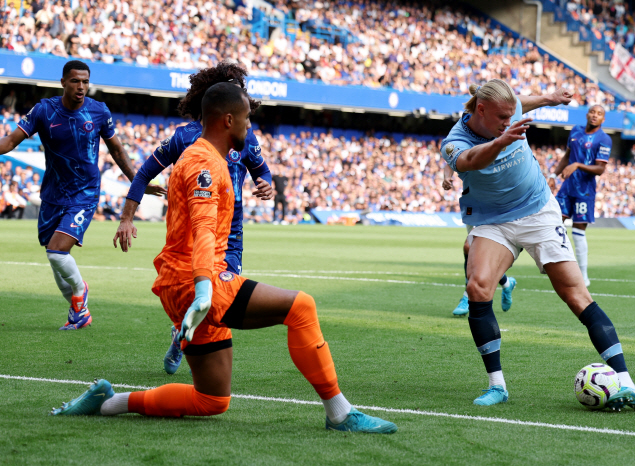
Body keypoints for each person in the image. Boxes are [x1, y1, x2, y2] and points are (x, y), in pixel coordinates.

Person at [52, 82, 398, 434]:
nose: (249, 126)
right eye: (246, 119)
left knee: (212, 400)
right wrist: (204, 289)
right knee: (302, 307)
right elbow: (203, 229)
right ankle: (340, 414)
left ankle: (108, 403)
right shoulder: (205, 164)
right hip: (197, 281)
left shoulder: (204, 157)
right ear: (228, 119)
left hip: (184, 281)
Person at [440, 79, 635, 411]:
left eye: (511, 116)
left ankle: (627, 383)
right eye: (502, 117)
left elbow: (522, 101)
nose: (509, 122)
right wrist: (503, 140)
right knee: (477, 288)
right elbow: (471, 161)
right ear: (481, 109)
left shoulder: (511, 110)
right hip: (494, 222)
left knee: (576, 296)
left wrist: (550, 98)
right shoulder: (454, 142)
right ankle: (497, 386)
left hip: (538, 212)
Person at [113, 61, 274, 375]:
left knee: (218, 298)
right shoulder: (184, 137)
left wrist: (265, 184)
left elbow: (261, 170)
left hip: (231, 234)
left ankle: (185, 338)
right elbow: (143, 173)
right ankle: (188, 340)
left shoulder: (246, 136)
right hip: (190, 234)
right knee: (208, 296)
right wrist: (126, 218)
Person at [0, 60, 165, 330]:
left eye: (86, 81)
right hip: (53, 194)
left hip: (85, 193)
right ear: (63, 82)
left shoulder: (99, 111)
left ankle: (80, 293)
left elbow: (117, 151)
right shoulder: (44, 110)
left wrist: (138, 181)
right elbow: (9, 142)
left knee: (56, 251)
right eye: (76, 81)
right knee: (54, 258)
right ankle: (80, 313)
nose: (81, 87)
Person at [442, 164, 516, 316]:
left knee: (470, 247)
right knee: (477, 255)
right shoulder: (467, 142)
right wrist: (446, 177)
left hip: (493, 202)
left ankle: (467, 297)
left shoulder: (497, 145)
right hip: (471, 201)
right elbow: (450, 162)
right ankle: (507, 283)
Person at [552, 105, 610, 287]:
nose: (595, 115)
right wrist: (553, 176)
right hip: (567, 187)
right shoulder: (575, 131)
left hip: (585, 190)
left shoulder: (604, 139)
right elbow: (567, 156)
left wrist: (577, 165)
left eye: (599, 114)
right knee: (553, 223)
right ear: (587, 114)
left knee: (578, 233)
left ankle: (583, 275)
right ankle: (557, 263)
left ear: (603, 120)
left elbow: (600, 169)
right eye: (592, 112)